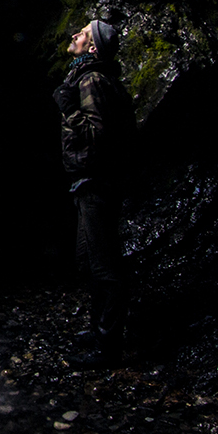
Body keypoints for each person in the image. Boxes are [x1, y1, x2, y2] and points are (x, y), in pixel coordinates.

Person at [53, 18, 136, 367]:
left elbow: (98, 134)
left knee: (104, 267)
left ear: (93, 47)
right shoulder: (88, 77)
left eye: (83, 33)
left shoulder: (91, 80)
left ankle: (108, 348)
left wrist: (69, 108)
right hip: (89, 184)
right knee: (88, 263)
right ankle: (98, 328)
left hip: (97, 183)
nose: (75, 35)